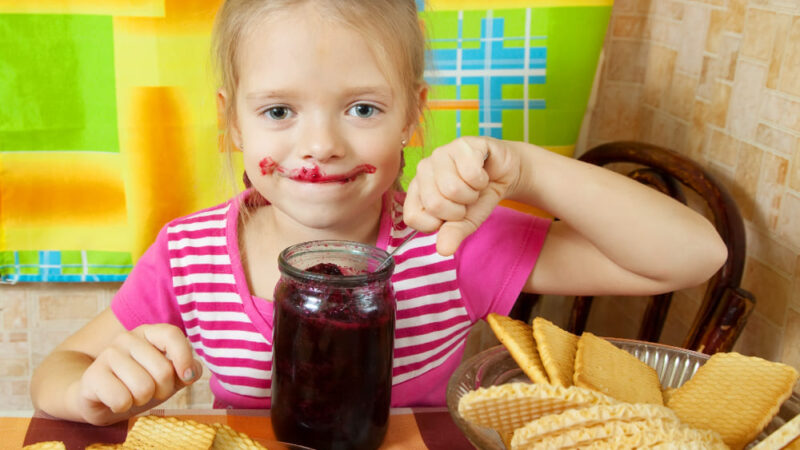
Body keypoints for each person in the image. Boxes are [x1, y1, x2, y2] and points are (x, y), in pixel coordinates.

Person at [30, 0, 727, 426]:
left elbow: (696, 256)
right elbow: (59, 369)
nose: (322, 146)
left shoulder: (450, 242)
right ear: (234, 123)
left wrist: (528, 168)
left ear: (412, 118)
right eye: (278, 111)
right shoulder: (189, 256)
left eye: (363, 108)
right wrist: (92, 390)